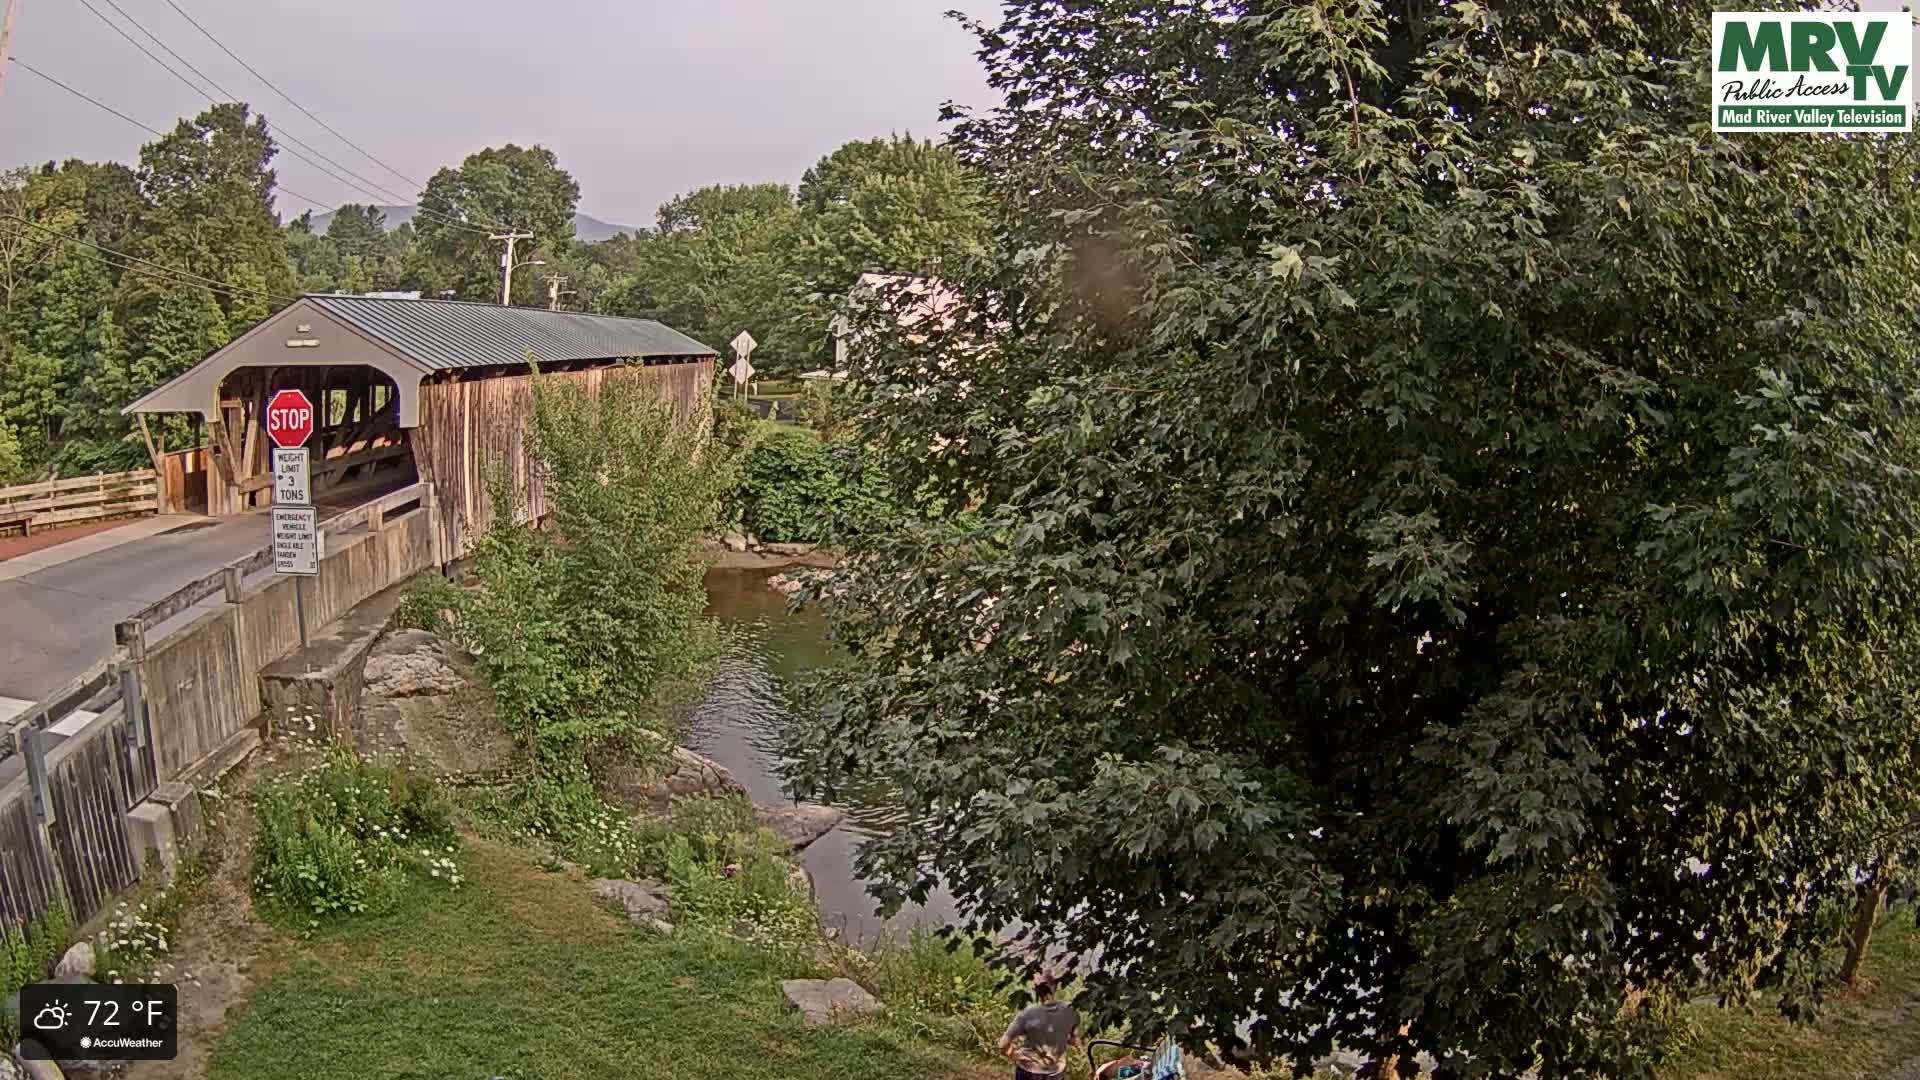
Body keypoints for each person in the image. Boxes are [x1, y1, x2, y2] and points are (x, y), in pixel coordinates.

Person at [998, 973, 1080, 1080]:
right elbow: (1076, 1041)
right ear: (1055, 987)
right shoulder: (1070, 1011)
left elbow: (1002, 1044)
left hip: (1028, 1072)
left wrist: (1016, 1056)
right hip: (1056, 1073)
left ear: (1036, 990)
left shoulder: (1028, 1013)